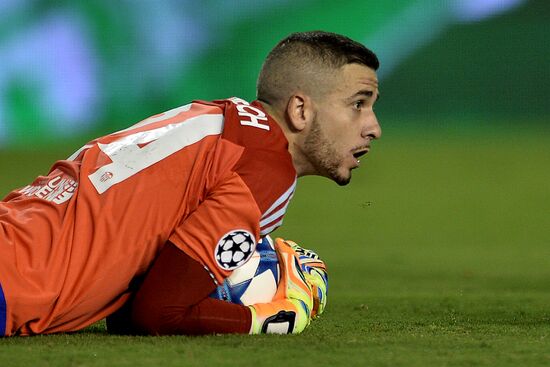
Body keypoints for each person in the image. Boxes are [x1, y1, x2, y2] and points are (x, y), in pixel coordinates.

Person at [0, 30, 381, 336]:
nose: (373, 127)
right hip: (12, 281)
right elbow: (158, 313)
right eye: (358, 104)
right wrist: (267, 318)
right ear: (300, 110)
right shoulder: (267, 168)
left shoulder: (221, 119)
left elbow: (131, 309)